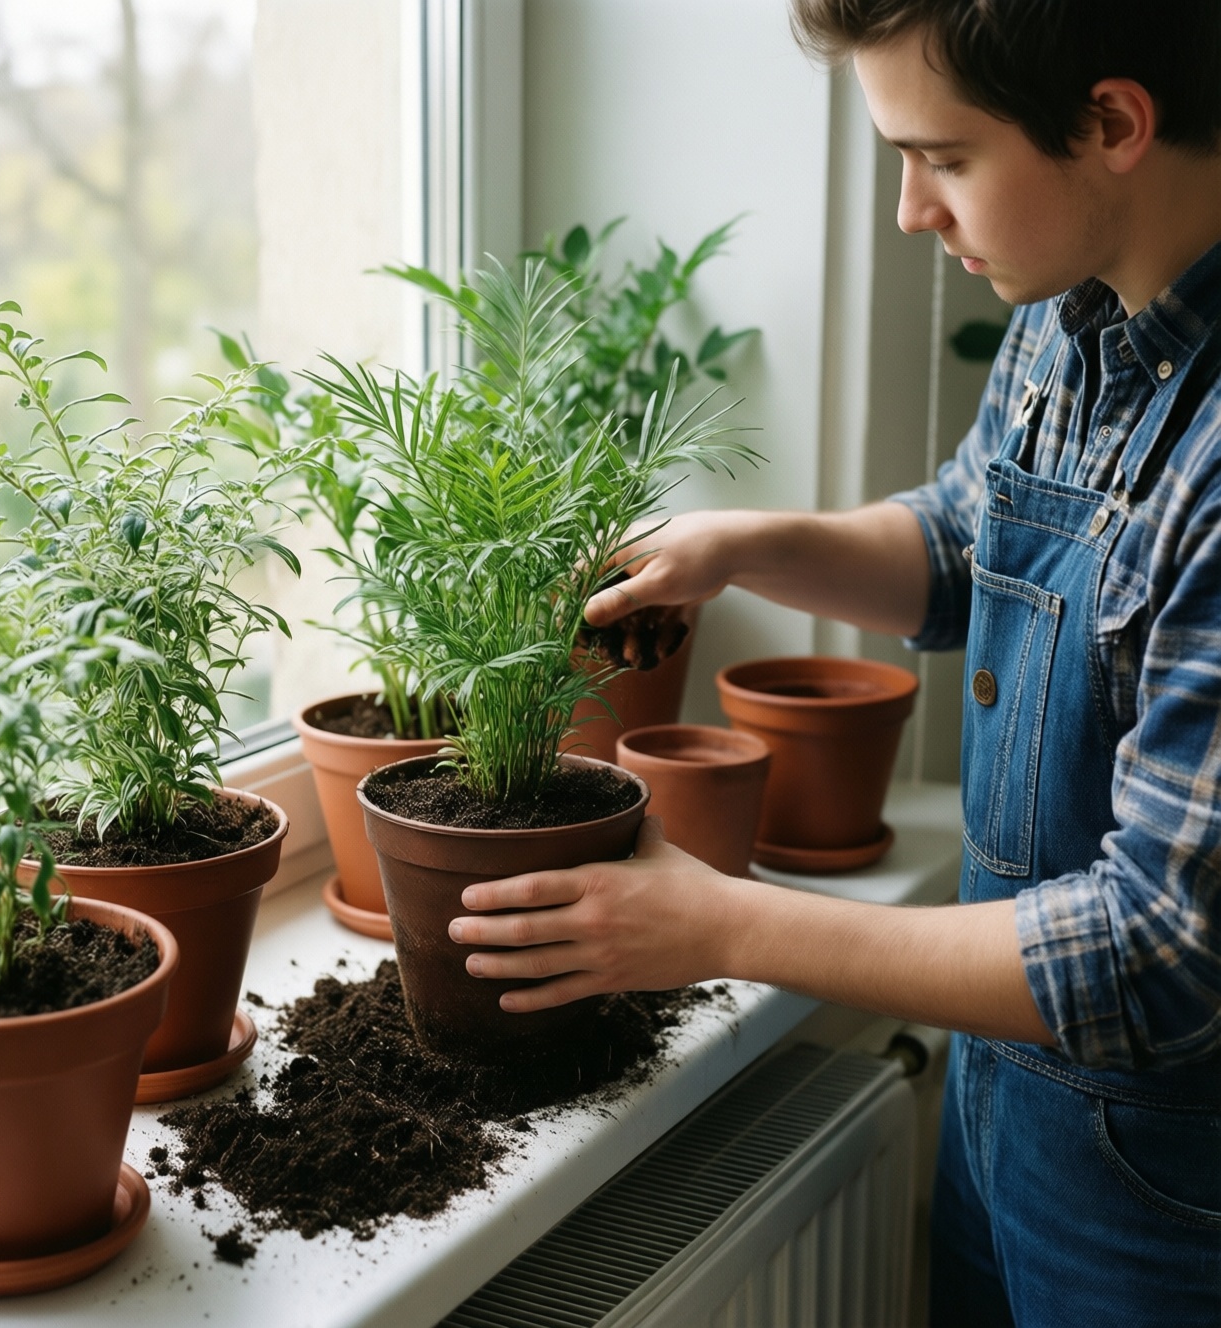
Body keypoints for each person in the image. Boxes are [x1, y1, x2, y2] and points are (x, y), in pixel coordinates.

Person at [447, 1, 1221, 1322]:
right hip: (1000, 1113)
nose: (913, 210)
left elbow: (1159, 952)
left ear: (1112, 125)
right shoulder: (1069, 306)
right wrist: (741, 547)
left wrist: (728, 924)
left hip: (1160, 1197)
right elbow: (966, 542)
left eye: (947, 159)